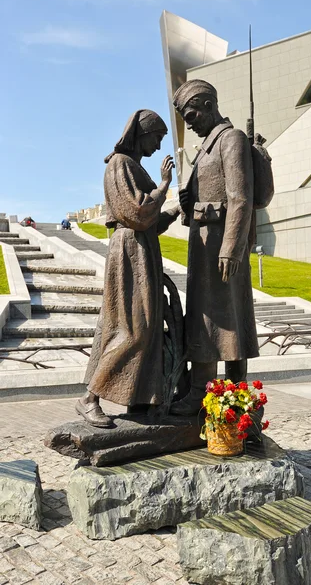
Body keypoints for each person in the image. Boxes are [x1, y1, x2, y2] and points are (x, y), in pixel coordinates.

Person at [75, 109, 177, 427]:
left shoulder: (134, 167)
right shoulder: (120, 164)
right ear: (142, 134)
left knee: (144, 329)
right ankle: (89, 398)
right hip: (130, 253)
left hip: (141, 248)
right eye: (157, 138)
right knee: (134, 330)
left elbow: (149, 221)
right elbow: (136, 213)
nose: (159, 147)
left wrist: (174, 210)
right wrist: (163, 185)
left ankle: (138, 400)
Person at [170, 79, 259, 416]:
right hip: (205, 246)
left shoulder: (230, 139)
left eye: (191, 114)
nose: (189, 123)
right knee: (205, 319)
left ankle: (230, 396)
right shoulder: (208, 145)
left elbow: (241, 197)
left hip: (222, 247)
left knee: (230, 320)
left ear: (208, 106)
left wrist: (232, 248)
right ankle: (206, 392)